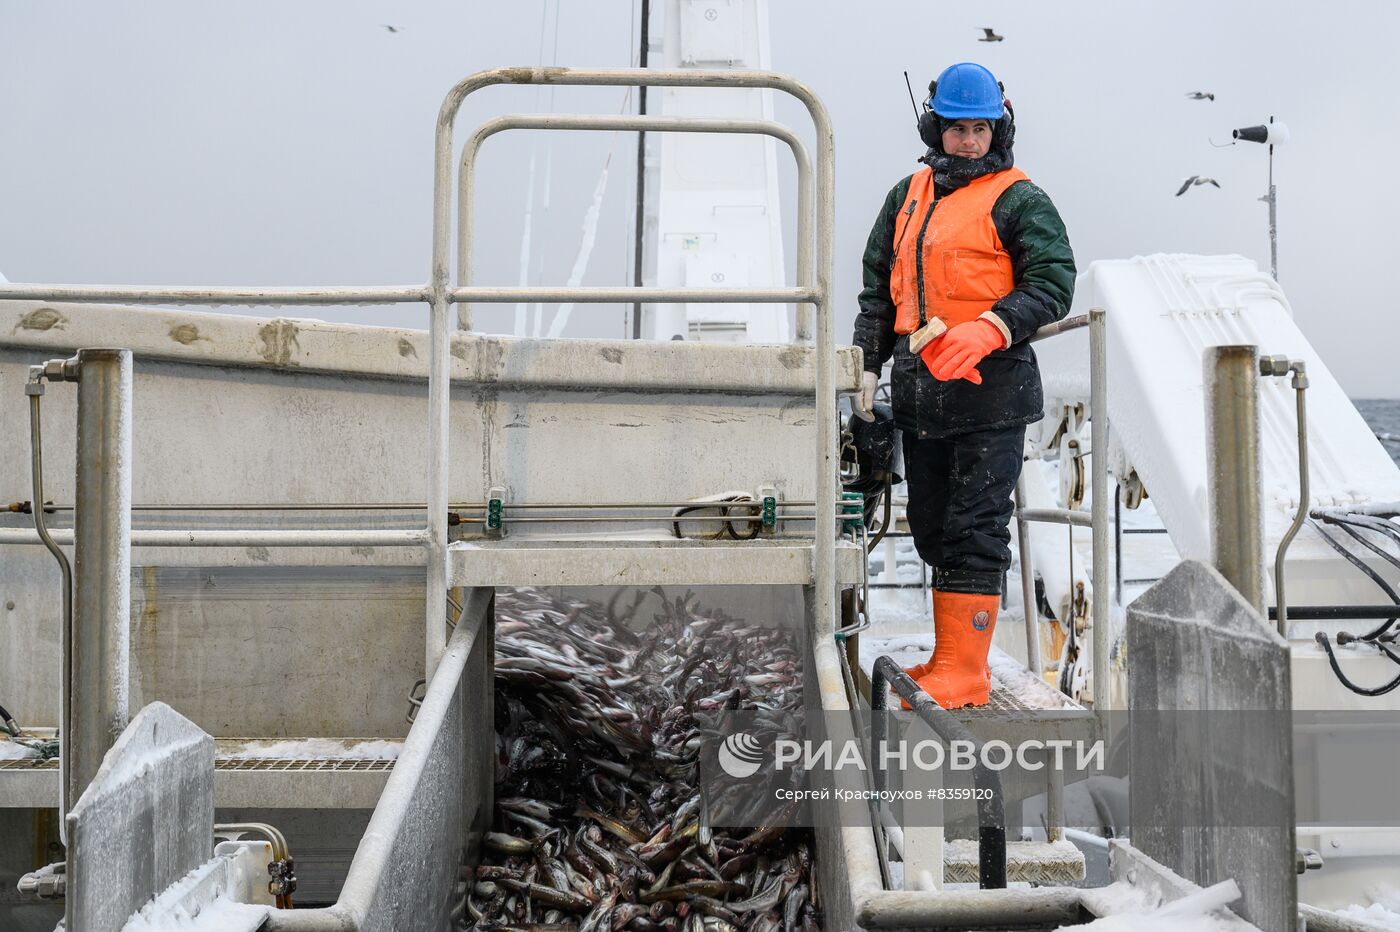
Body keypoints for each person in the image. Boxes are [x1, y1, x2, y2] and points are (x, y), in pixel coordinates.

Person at [851, 62, 1075, 708]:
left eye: (981, 129)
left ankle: (967, 670)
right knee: (932, 527)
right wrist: (868, 365)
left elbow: (1053, 282)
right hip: (921, 396)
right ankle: (949, 654)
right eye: (958, 129)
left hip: (991, 394)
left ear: (998, 128)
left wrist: (995, 327)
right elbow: (878, 289)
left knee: (976, 526)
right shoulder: (906, 197)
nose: (970, 142)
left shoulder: (1020, 200)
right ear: (935, 128)